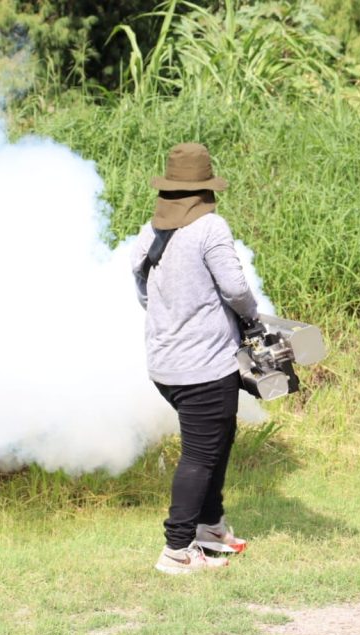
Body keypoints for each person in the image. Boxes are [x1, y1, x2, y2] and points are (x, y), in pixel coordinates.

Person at [130, 142, 260, 575]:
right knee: (201, 454)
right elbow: (237, 289)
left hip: (165, 366)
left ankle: (210, 527)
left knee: (217, 439)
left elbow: (141, 284)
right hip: (205, 367)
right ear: (205, 189)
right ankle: (177, 550)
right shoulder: (211, 228)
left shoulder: (151, 231)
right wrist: (251, 317)